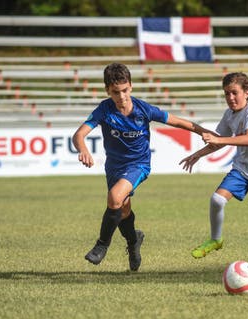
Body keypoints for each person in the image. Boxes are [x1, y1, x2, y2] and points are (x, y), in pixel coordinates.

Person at [73, 62, 212, 271]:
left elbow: (177, 122)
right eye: (115, 92)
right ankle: (133, 241)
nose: (121, 96)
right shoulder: (104, 109)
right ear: (107, 91)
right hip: (114, 168)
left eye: (124, 90)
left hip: (139, 165)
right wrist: (83, 149)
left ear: (131, 86)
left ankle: (101, 245)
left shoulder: (143, 109)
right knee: (122, 208)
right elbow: (79, 134)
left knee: (114, 198)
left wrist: (203, 132)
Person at [179, 72, 248, 272]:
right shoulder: (229, 115)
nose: (230, 98)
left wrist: (219, 140)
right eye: (226, 94)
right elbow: (218, 140)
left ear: (247, 92)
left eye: (234, 93)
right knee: (217, 200)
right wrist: (198, 154)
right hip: (242, 168)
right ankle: (216, 240)